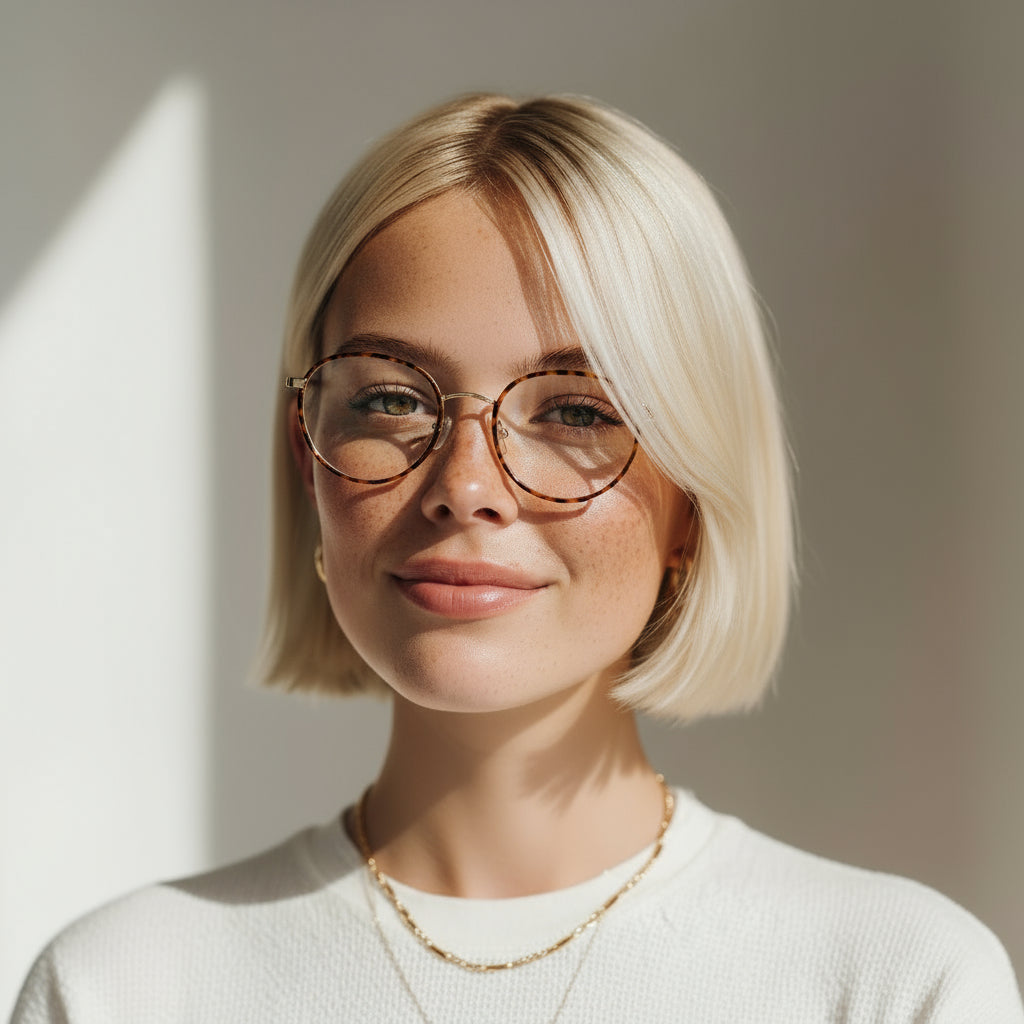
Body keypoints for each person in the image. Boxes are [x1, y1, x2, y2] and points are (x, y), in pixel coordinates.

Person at [11, 94, 1023, 1024]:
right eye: (390, 398)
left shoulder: (897, 984)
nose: (465, 485)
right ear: (305, 455)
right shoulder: (121, 988)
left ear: (692, 498)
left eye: (576, 411)